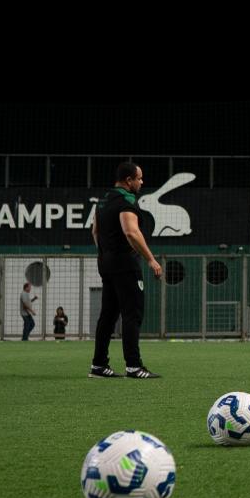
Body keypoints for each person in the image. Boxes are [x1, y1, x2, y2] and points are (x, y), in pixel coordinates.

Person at [89, 162, 164, 379]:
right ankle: (134, 366)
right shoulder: (127, 201)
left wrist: (105, 254)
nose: (142, 182)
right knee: (132, 314)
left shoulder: (102, 201)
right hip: (125, 265)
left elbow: (95, 231)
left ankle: (98, 365)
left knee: (108, 315)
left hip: (106, 263)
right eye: (139, 178)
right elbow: (131, 232)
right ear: (128, 180)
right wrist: (151, 260)